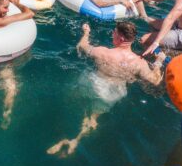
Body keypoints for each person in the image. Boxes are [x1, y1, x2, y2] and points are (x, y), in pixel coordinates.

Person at [47, 21, 164, 157]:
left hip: (90, 82)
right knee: (92, 118)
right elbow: (155, 81)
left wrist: (86, 32)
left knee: (72, 104)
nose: (112, 34)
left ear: (120, 38)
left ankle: (58, 128)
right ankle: (75, 140)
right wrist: (159, 62)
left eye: (114, 32)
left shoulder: (102, 52)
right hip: (110, 93)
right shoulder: (139, 63)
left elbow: (82, 46)